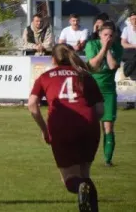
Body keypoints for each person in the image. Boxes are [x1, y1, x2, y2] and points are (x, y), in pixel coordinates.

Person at [27, 44, 103, 212]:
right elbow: (99, 110)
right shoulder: (85, 75)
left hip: (62, 126)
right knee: (85, 174)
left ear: (53, 59)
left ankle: (80, 187)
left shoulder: (45, 77)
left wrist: (44, 129)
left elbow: (32, 104)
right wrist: (88, 125)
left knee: (71, 180)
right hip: (89, 125)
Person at [84, 21, 123, 167]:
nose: (108, 38)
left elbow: (113, 66)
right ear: (99, 34)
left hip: (108, 91)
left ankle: (108, 160)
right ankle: (87, 156)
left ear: (114, 37)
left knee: (108, 126)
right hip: (92, 89)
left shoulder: (118, 48)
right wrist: (103, 48)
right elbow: (93, 66)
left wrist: (107, 49)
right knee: (89, 126)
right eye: (105, 34)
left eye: (111, 35)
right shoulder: (91, 45)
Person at [119, 11, 136, 110]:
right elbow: (123, 43)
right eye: (133, 19)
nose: (135, 21)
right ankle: (130, 102)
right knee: (130, 79)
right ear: (130, 20)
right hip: (130, 54)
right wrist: (134, 46)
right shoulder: (126, 29)